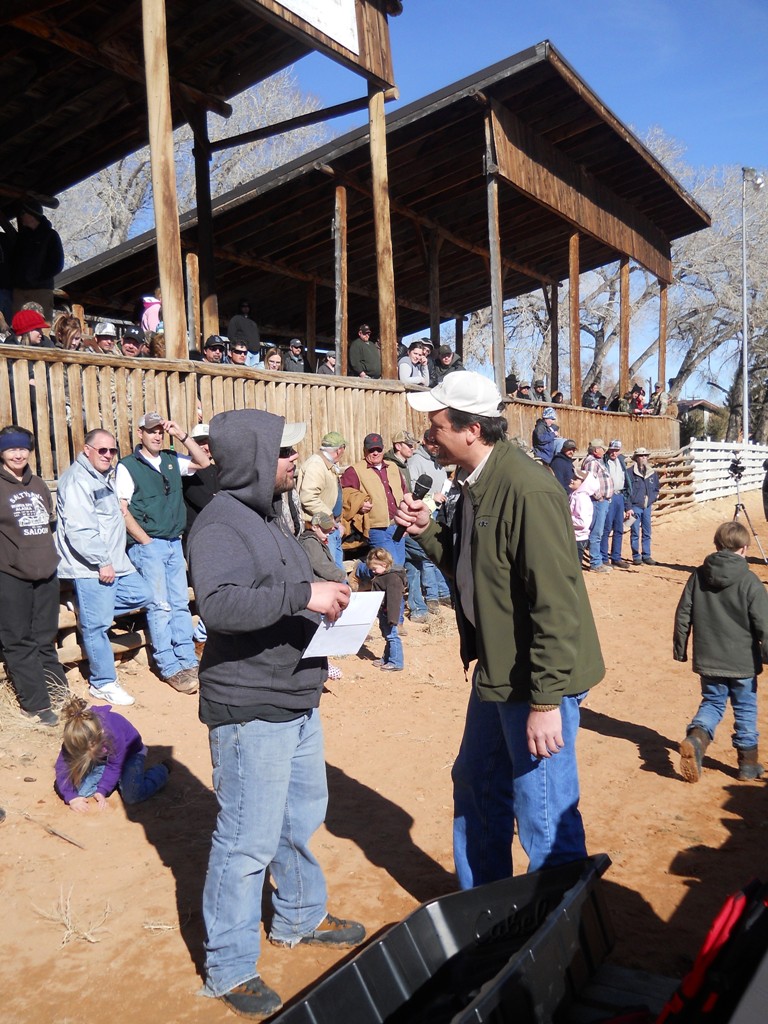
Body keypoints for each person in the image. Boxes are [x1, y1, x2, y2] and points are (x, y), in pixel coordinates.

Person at [187, 408, 364, 1018]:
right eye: (285, 454)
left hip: (295, 696)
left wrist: (327, 604)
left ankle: (299, 916)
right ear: (257, 459)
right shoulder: (218, 525)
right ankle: (230, 967)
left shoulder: (270, 518)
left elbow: (284, 597)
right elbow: (220, 607)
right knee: (245, 842)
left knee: (299, 818)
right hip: (250, 706)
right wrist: (303, 594)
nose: (295, 462)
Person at [396, 371, 604, 888]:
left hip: (533, 680)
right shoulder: (474, 485)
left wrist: (545, 702)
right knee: (476, 783)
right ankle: (484, 907)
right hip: (497, 670)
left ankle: (554, 940)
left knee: (545, 813)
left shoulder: (528, 490)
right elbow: (472, 567)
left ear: (472, 430)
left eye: (436, 425)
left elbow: (556, 607)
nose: (428, 436)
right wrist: (428, 531)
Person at [55, 428, 154, 707]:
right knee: (96, 627)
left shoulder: (103, 476)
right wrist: (102, 561)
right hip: (93, 566)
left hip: (115, 562)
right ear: (87, 450)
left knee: (143, 594)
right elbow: (80, 529)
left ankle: (86, 606)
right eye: (102, 450)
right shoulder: (77, 480)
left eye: (112, 450)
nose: (108, 455)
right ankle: (103, 682)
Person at [116, 412, 210, 694]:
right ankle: (168, 665)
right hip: (150, 544)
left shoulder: (171, 459)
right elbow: (122, 509)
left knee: (180, 603)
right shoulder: (128, 466)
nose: (157, 435)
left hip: (172, 541)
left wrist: (182, 435)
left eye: (160, 431)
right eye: (151, 431)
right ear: (140, 433)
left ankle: (186, 658)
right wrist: (144, 541)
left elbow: (204, 463)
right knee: (159, 606)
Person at [674, 521, 768, 783]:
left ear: (716, 545)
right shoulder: (750, 581)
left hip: (709, 657)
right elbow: (765, 622)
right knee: (745, 707)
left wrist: (681, 648)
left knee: (713, 702)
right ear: (745, 548)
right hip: (743, 661)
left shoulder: (698, 575)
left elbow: (683, 613)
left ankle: (697, 738)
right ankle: (748, 764)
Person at [0, 424, 69, 725]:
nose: (18, 453)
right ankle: (37, 704)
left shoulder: (38, 484)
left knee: (44, 637)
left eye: (22, 448)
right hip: (10, 574)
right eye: (11, 448)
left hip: (45, 572)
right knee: (18, 639)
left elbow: (47, 523)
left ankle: (58, 694)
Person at [55, 696, 170, 812]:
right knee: (82, 793)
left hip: (130, 754)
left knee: (132, 796)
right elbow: (62, 768)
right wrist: (71, 797)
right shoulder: (75, 735)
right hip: (101, 755)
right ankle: (115, 780)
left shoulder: (113, 734)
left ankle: (161, 771)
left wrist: (102, 790)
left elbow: (115, 765)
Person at [341, 432, 406, 565]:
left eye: (378, 449)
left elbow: (404, 491)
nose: (375, 453)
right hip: (377, 528)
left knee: (400, 565)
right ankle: (360, 571)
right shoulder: (354, 471)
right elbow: (343, 495)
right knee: (392, 566)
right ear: (365, 451)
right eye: (371, 450)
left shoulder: (393, 467)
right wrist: (358, 504)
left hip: (398, 525)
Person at [297, 431, 346, 570]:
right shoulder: (316, 465)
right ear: (339, 450)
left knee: (337, 571)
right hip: (321, 529)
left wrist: (336, 522)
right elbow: (308, 497)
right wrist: (329, 518)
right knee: (329, 572)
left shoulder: (328, 465)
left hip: (330, 527)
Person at [11, 200, 64, 321]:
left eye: (23, 213)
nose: (20, 216)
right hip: (20, 291)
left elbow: (57, 264)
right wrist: (17, 279)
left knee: (41, 326)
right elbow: (14, 261)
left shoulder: (50, 235)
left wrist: (38, 278)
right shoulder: (22, 238)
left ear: (32, 214)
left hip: (41, 290)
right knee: (18, 326)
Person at [367, 546, 406, 672]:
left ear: (384, 564)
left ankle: (396, 662)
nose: (373, 571)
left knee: (392, 636)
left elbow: (394, 600)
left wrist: (392, 618)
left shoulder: (393, 578)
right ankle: (387, 658)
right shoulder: (383, 576)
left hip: (390, 613)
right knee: (387, 635)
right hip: (384, 612)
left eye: (374, 568)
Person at [581, 438, 614, 573]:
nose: (603, 451)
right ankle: (595, 563)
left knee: (598, 531)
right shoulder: (591, 463)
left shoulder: (595, 462)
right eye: (602, 449)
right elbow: (590, 482)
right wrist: (599, 497)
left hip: (602, 501)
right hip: (597, 502)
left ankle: (597, 560)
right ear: (596, 450)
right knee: (596, 532)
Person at [600, 440, 631, 569]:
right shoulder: (604, 462)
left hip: (619, 496)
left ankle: (616, 557)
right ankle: (603, 557)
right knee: (607, 528)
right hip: (609, 496)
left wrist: (627, 505)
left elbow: (626, 484)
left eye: (617, 450)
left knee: (619, 528)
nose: (614, 452)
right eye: (612, 450)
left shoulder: (621, 462)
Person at [627, 447, 660, 565]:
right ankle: (636, 556)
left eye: (645, 456)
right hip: (635, 506)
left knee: (647, 531)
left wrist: (653, 498)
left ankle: (647, 555)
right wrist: (628, 507)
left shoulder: (652, 473)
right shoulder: (629, 472)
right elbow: (626, 491)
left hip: (647, 506)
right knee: (635, 531)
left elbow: (656, 487)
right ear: (636, 458)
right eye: (641, 456)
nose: (643, 458)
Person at [569, 468, 599, 567]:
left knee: (574, 567)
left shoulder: (581, 498)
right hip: (573, 536)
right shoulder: (574, 495)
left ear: (583, 484)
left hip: (578, 538)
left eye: (576, 479)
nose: (571, 480)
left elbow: (583, 522)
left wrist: (565, 519)